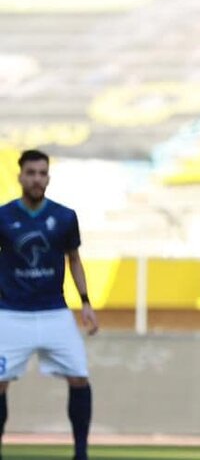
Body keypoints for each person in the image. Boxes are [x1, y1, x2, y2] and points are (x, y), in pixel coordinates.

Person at [0, 150, 98, 460]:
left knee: (79, 377)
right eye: (31, 173)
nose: (37, 179)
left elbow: (74, 260)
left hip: (55, 312)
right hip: (11, 313)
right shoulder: (3, 216)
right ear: (20, 176)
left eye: (42, 173)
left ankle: (80, 453)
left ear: (49, 178)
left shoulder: (65, 217)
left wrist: (85, 302)